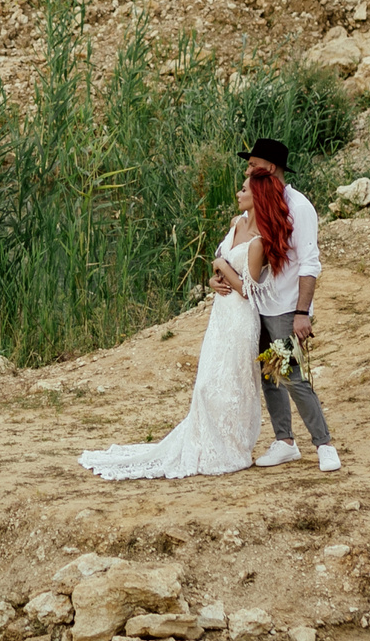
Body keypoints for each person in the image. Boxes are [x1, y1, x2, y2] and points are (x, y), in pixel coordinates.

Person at [78, 193, 265, 481]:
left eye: (244, 189)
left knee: (235, 382)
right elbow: (222, 267)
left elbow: (249, 290)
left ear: (258, 195)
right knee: (207, 382)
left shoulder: (259, 240)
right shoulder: (236, 223)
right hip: (221, 314)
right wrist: (215, 278)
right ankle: (208, 442)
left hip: (241, 319)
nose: (238, 194)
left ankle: (232, 448)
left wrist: (222, 266)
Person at [212, 137, 336, 472]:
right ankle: (284, 441)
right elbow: (230, 253)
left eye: (253, 165)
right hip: (253, 308)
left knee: (293, 376)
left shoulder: (299, 207)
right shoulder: (257, 205)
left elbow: (310, 264)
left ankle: (324, 444)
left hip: (284, 308)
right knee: (270, 375)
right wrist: (217, 277)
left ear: (270, 168)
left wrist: (301, 313)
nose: (247, 170)